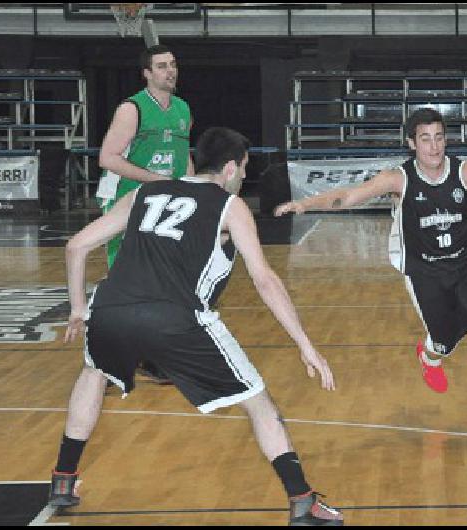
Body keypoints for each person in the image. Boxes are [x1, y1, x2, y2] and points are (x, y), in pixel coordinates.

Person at [48, 127, 343, 526]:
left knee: (93, 371)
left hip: (111, 308)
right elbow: (265, 279)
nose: (242, 177)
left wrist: (80, 310)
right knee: (257, 401)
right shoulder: (229, 205)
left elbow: (76, 246)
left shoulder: (143, 194)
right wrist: (305, 343)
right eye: (242, 168)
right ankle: (302, 500)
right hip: (176, 317)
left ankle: (64, 479)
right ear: (228, 168)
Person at [275, 108, 467, 438]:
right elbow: (349, 196)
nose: (434, 146)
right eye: (425, 139)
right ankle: (430, 353)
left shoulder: (465, 171)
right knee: (444, 341)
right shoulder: (399, 178)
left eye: (439, 137)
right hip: (425, 271)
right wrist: (304, 205)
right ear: (412, 143)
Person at [95, 44, 194, 384]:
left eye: (173, 63)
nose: (171, 70)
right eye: (162, 66)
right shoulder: (132, 109)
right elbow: (107, 158)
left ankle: (148, 356)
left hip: (164, 205)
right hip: (128, 201)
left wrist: (194, 189)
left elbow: (183, 157)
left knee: (161, 283)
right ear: (147, 74)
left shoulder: (182, 108)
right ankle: (107, 361)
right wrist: (157, 180)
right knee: (126, 285)